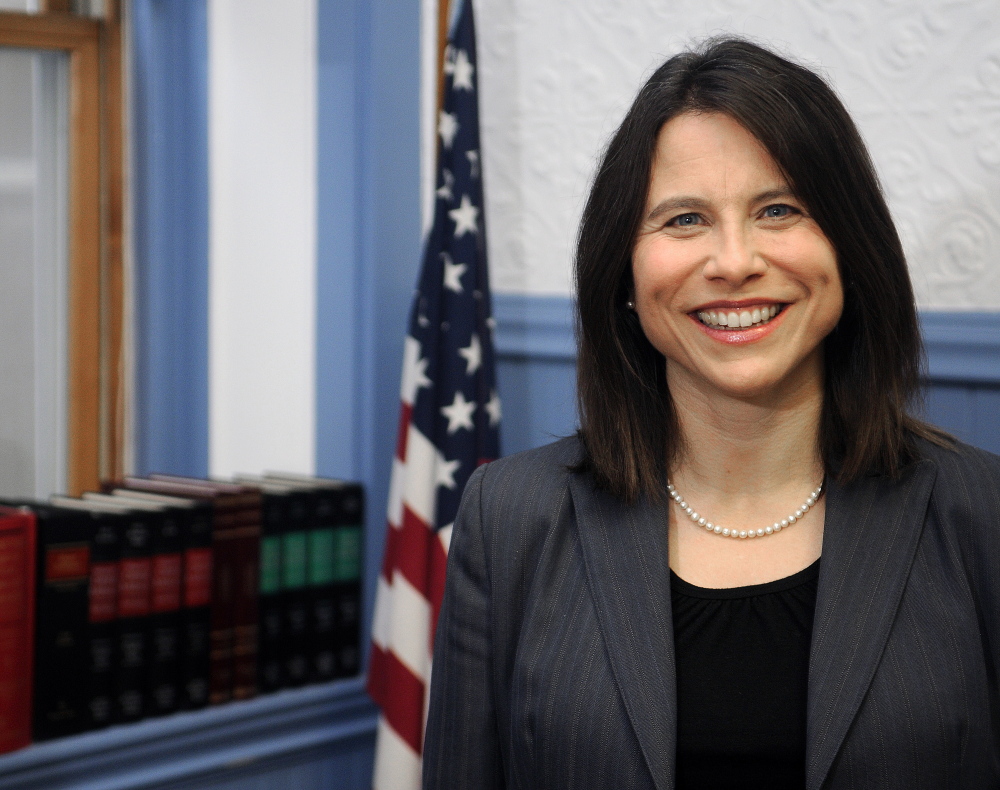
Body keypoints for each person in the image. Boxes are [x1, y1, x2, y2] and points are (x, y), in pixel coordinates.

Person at [422, 38, 1000, 790]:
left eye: (779, 209)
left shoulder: (983, 512)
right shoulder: (509, 521)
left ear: (851, 250)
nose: (733, 261)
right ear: (625, 274)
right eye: (684, 220)